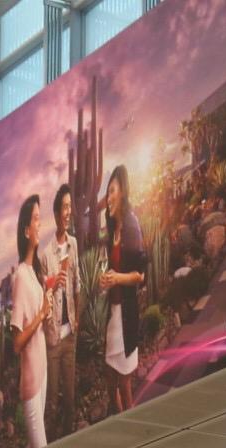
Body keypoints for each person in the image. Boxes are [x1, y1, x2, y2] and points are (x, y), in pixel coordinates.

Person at [100, 164, 148, 411]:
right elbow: (114, 273)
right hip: (113, 315)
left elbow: (140, 275)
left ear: (123, 192)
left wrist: (117, 278)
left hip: (126, 316)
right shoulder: (113, 232)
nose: (108, 198)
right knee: (111, 379)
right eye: (107, 193)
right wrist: (107, 281)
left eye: (112, 191)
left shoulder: (131, 224)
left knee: (125, 384)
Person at [10, 193, 50, 448]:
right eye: (36, 219)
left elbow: (41, 316)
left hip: (42, 373)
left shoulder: (34, 274)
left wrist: (47, 305)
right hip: (32, 385)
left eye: (39, 217)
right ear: (26, 230)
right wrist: (39, 316)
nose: (40, 223)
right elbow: (16, 344)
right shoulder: (21, 277)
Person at [40, 183, 78, 441]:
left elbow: (77, 285)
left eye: (69, 206)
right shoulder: (45, 255)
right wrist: (54, 284)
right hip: (54, 339)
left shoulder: (74, 244)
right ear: (55, 214)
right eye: (64, 207)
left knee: (70, 395)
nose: (68, 211)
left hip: (71, 335)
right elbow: (44, 298)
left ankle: (70, 440)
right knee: (52, 399)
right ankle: (50, 447)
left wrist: (79, 321)